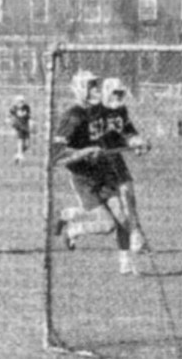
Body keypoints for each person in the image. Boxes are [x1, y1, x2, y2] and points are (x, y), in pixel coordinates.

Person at [51, 70, 139, 275]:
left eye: (96, 85)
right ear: (79, 89)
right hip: (84, 178)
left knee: (122, 217)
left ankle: (125, 263)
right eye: (91, 86)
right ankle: (71, 224)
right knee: (106, 224)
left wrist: (135, 142)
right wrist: (85, 152)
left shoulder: (101, 111)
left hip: (105, 172)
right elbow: (56, 155)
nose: (96, 90)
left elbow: (119, 133)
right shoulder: (73, 116)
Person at [99, 77, 152, 254]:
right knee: (108, 221)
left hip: (114, 158)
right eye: (115, 93)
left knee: (128, 194)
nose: (118, 96)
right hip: (95, 163)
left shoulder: (121, 111)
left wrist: (138, 143)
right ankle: (73, 227)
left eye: (121, 93)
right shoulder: (94, 111)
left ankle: (136, 236)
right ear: (106, 92)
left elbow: (128, 134)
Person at [8, 95, 32, 164]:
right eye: (19, 101)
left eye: (22, 101)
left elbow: (28, 116)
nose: (21, 103)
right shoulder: (13, 108)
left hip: (26, 127)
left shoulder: (26, 107)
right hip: (19, 127)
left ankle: (17, 155)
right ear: (16, 102)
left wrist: (30, 121)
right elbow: (10, 116)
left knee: (27, 145)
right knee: (20, 141)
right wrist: (11, 123)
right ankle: (20, 155)